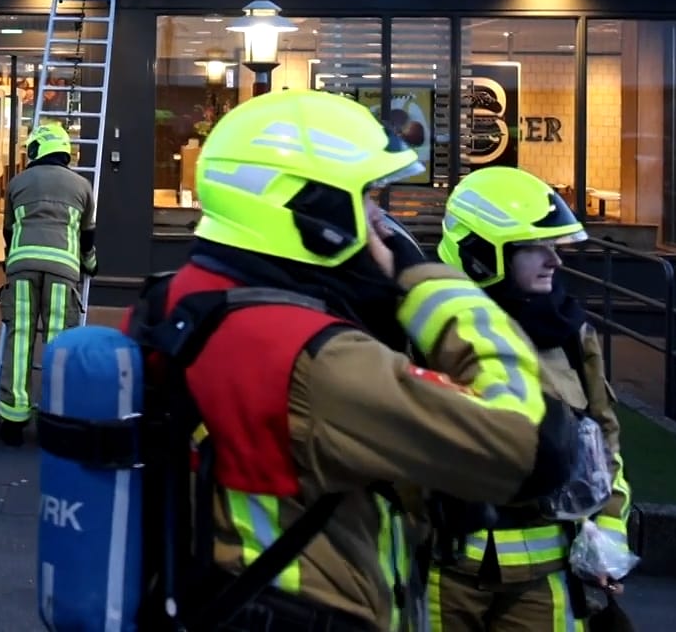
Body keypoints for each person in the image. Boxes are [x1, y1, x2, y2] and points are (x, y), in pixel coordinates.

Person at [124, 89, 582, 631]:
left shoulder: (183, 299)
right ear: (316, 210)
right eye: (369, 198)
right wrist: (435, 290)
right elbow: (533, 449)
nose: (383, 224)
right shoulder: (319, 359)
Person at [428, 166, 635, 631]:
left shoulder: (569, 332)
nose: (554, 261)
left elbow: (603, 445)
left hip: (548, 575)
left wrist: (609, 534)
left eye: (553, 247)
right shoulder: (426, 329)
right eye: (534, 248)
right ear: (482, 255)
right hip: (443, 570)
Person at [0, 121, 96, 447]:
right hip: (64, 270)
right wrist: (90, 265)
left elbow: (9, 231)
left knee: (20, 339)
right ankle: (53, 416)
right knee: (58, 344)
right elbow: (87, 237)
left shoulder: (18, 182)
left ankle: (12, 418)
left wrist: (12, 261)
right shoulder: (82, 186)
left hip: (21, 269)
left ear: (35, 150)